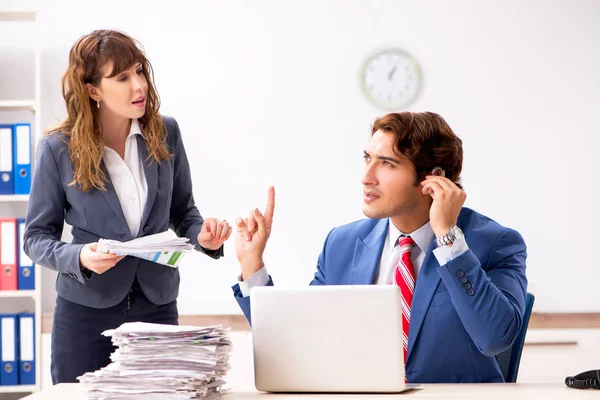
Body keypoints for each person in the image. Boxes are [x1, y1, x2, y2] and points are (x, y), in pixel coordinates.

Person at [232, 112, 527, 383]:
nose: (366, 177)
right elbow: (304, 344)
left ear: (433, 178)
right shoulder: (342, 244)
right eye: (367, 159)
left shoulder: (495, 244)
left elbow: (494, 338)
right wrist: (252, 265)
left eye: (387, 163)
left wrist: (448, 240)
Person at [23, 29, 232, 384]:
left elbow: (184, 214)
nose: (139, 85)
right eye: (121, 77)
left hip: (157, 307)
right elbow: (36, 238)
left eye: (139, 71)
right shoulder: (58, 148)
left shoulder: (166, 133)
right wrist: (79, 257)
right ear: (93, 90)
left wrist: (205, 237)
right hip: (84, 314)